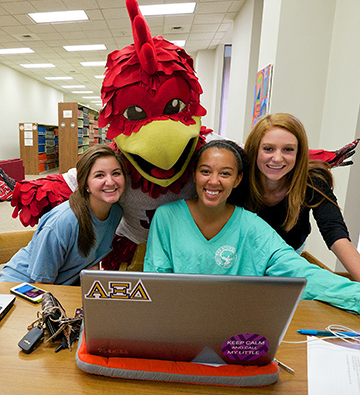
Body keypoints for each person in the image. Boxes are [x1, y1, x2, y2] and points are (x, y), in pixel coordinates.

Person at [144, 140, 360, 314]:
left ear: (238, 180)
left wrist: (356, 296)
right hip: (177, 323)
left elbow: (302, 273)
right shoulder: (168, 217)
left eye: (225, 174)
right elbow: (156, 282)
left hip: (236, 332)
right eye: (206, 171)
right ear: (194, 175)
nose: (214, 181)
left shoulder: (252, 226)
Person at [243, 113, 360, 282]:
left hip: (289, 253)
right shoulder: (239, 180)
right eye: (268, 149)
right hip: (245, 255)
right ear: (255, 150)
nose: (277, 158)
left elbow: (335, 232)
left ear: (299, 153)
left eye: (288, 150)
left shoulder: (312, 181)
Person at [0, 145, 127, 285]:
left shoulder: (115, 212)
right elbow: (42, 284)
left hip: (60, 287)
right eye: (99, 175)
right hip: (21, 288)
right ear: (85, 184)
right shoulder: (63, 222)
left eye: (116, 173)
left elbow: (91, 259)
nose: (110, 182)